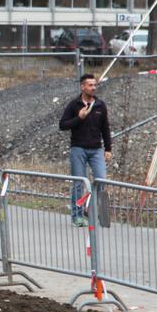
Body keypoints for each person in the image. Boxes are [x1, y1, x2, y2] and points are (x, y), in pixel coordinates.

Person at [58, 73, 112, 226]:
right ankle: (77, 216)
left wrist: (108, 148)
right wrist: (79, 118)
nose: (93, 88)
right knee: (78, 183)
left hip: (96, 150)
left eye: (95, 85)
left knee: (101, 181)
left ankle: (94, 211)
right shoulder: (74, 105)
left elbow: (105, 128)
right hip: (78, 149)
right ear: (82, 87)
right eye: (90, 85)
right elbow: (62, 125)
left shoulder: (100, 105)